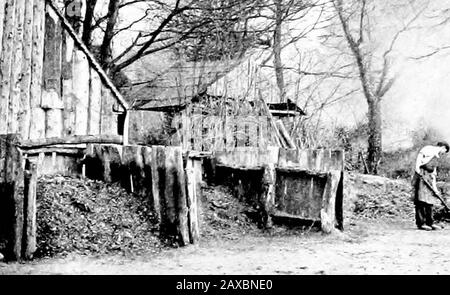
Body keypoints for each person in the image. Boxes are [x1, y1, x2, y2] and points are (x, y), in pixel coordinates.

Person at [412, 141, 450, 230]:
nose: (443, 153)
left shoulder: (437, 157)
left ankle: (430, 222)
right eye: (445, 151)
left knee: (430, 201)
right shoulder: (428, 149)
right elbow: (419, 158)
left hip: (428, 178)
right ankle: (421, 224)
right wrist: (417, 169)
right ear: (443, 148)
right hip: (421, 176)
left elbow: (433, 174)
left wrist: (435, 188)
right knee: (421, 200)